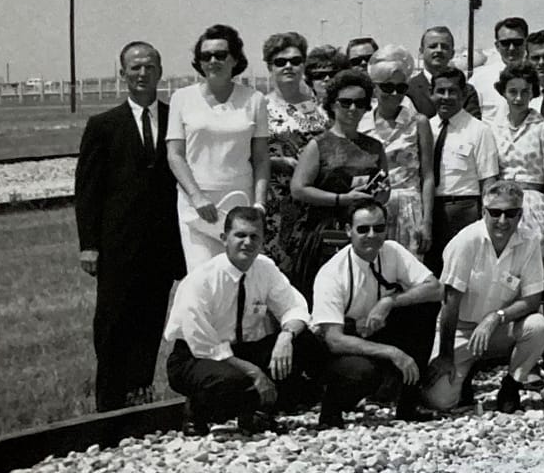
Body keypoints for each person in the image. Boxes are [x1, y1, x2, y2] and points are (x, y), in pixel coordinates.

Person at [75, 40, 184, 410]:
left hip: (164, 246)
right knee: (112, 322)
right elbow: (88, 191)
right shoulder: (103, 126)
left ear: (160, 71)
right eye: (134, 67)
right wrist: (88, 244)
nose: (142, 73)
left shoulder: (177, 120)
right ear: (122, 74)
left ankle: (140, 393)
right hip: (117, 246)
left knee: (151, 322)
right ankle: (109, 401)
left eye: (149, 66)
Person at [164, 205, 322, 433]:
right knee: (232, 381)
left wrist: (285, 337)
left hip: (244, 348)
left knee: (304, 342)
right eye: (240, 235)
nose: (247, 242)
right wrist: (254, 372)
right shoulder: (201, 280)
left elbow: (296, 308)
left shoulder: (265, 269)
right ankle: (198, 410)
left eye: (254, 236)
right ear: (224, 238)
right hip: (197, 356)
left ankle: (257, 413)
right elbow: (204, 345)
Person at [309, 200, 442, 428]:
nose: (372, 235)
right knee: (362, 372)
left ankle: (408, 404)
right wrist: (392, 352)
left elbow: (436, 288)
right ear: (348, 231)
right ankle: (331, 408)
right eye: (363, 229)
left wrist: (388, 301)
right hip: (339, 345)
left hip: (376, 327)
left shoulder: (392, 251)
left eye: (379, 228)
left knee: (424, 309)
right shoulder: (332, 273)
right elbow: (333, 339)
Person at [436, 180, 544, 413]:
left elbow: (532, 300)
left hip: (500, 328)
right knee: (439, 401)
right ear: (483, 212)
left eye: (510, 214)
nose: (502, 221)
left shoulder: (529, 242)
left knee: (538, 326)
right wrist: (445, 356)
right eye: (495, 213)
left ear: (520, 215)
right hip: (461, 329)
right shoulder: (465, 242)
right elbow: (450, 304)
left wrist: (495, 318)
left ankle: (512, 384)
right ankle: (465, 375)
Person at [166, 25, 269, 272]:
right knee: (204, 276)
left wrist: (260, 204)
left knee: (240, 275)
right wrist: (197, 196)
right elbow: (175, 155)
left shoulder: (255, 100)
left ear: (234, 59)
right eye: (206, 56)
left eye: (221, 55)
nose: (213, 61)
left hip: (240, 202)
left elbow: (261, 159)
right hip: (197, 206)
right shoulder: (182, 98)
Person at [287, 69, 390, 291]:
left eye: (360, 103)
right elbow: (298, 189)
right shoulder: (319, 144)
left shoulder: (374, 146)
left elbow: (385, 186)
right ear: (333, 104)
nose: (353, 108)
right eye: (346, 102)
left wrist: (380, 195)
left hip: (365, 234)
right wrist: (341, 199)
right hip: (325, 233)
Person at [259, 32, 326, 267]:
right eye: (280, 62)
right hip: (274, 206)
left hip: (313, 207)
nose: (289, 66)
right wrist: (280, 163)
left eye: (296, 61)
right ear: (270, 66)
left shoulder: (319, 109)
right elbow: (246, 156)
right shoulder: (259, 107)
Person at [365, 47, 435, 258]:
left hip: (408, 208)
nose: (394, 94)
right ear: (375, 89)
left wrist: (427, 222)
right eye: (387, 87)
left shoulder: (419, 122)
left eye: (401, 87)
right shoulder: (362, 123)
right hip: (372, 208)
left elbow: (428, 175)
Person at [429, 66, 500, 268]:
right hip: (430, 210)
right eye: (440, 91)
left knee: (463, 268)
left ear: (463, 95)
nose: (446, 97)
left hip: (463, 210)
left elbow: (488, 180)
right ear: (431, 93)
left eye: (452, 91)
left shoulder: (479, 130)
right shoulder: (426, 128)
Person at [486, 63, 544, 254]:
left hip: (532, 206)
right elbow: (490, 176)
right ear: (503, 93)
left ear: (532, 93)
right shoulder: (494, 128)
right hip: (500, 206)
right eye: (513, 92)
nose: (518, 98)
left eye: (525, 92)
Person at [468, 16, 530, 106]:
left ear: (526, 43)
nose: (511, 48)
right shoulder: (479, 80)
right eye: (505, 43)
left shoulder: (541, 79)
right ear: (497, 46)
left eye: (517, 42)